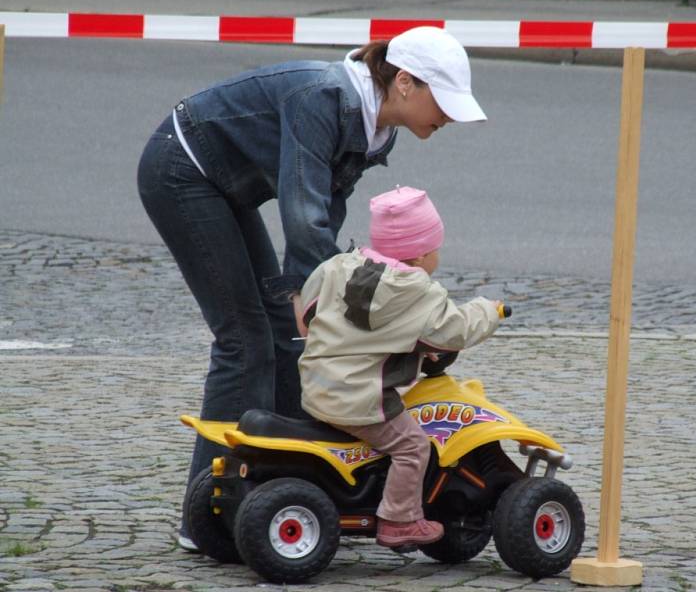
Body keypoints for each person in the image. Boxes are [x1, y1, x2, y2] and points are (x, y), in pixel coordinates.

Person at [136, 27, 487, 550]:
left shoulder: (376, 126)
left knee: (282, 333)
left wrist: (321, 292)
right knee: (243, 340)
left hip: (225, 185)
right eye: (444, 101)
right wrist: (312, 291)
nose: (452, 116)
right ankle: (211, 517)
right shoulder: (325, 98)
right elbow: (303, 211)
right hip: (183, 169)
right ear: (407, 83)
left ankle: (287, 487)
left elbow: (328, 205)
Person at [297, 186, 501, 548]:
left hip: (316, 386)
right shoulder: (415, 291)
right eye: (436, 249)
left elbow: (308, 310)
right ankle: (399, 520)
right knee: (412, 446)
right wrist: (489, 311)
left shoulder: (339, 266)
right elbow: (453, 331)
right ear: (422, 254)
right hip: (359, 400)